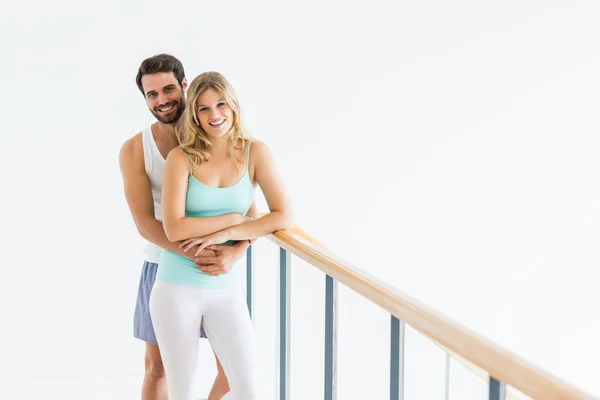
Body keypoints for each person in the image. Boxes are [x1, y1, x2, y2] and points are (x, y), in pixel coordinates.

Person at [149, 71, 294, 400]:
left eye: (221, 104)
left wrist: (236, 241)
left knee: (250, 388)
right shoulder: (181, 158)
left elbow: (283, 214)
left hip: (225, 287)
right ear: (195, 116)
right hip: (176, 288)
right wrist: (231, 217)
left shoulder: (255, 152)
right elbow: (174, 228)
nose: (214, 115)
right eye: (203, 109)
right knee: (182, 390)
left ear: (233, 106)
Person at [119, 54, 254, 400]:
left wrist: (236, 252)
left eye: (167, 89)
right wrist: (194, 252)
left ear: (185, 85)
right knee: (158, 369)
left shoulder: (218, 135)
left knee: (232, 371)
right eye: (152, 94)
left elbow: (247, 211)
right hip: (163, 263)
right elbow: (145, 223)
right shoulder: (136, 149)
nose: (161, 100)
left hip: (220, 268)